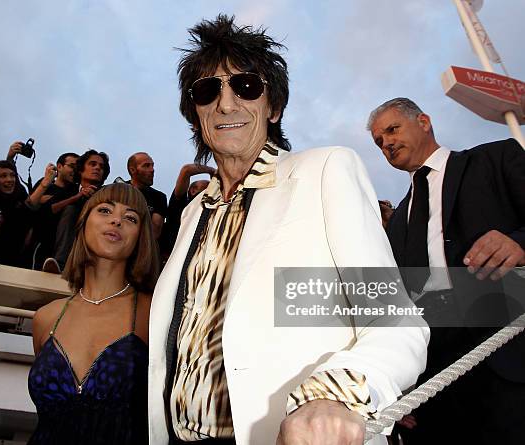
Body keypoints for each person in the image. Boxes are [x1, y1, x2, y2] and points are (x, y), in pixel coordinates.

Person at [148, 15, 428, 445]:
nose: (226, 104)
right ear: (196, 114)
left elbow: (395, 322)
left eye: (245, 87)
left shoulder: (325, 171)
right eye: (208, 91)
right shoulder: (191, 214)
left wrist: (336, 398)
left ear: (273, 106)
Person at [368, 97, 525, 444]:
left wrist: (520, 242)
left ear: (424, 121)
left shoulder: (496, 159)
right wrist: (398, 381)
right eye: (379, 142)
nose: (387, 143)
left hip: (507, 354)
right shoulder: (396, 225)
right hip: (433, 382)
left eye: (392, 130)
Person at [28, 183, 160, 444]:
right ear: (83, 222)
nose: (116, 220)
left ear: (141, 237)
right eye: (105, 210)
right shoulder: (45, 317)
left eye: (130, 217)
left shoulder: (156, 312)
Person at [43, 149, 110, 273]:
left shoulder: (107, 194)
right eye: (92, 164)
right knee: (70, 210)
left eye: (101, 166)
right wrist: (78, 196)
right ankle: (60, 264)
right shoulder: (68, 190)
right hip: (63, 243)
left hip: (93, 248)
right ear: (80, 169)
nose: (97, 168)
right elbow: (49, 210)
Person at [160, 163, 214, 258]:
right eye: (207, 188)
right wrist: (212, 171)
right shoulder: (181, 205)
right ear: (193, 190)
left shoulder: (212, 210)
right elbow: (186, 170)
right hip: (175, 257)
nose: (210, 192)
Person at [126, 152, 168, 240]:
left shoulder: (159, 197)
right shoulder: (120, 190)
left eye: (152, 166)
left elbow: (154, 232)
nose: (152, 170)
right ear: (133, 170)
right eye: (146, 166)